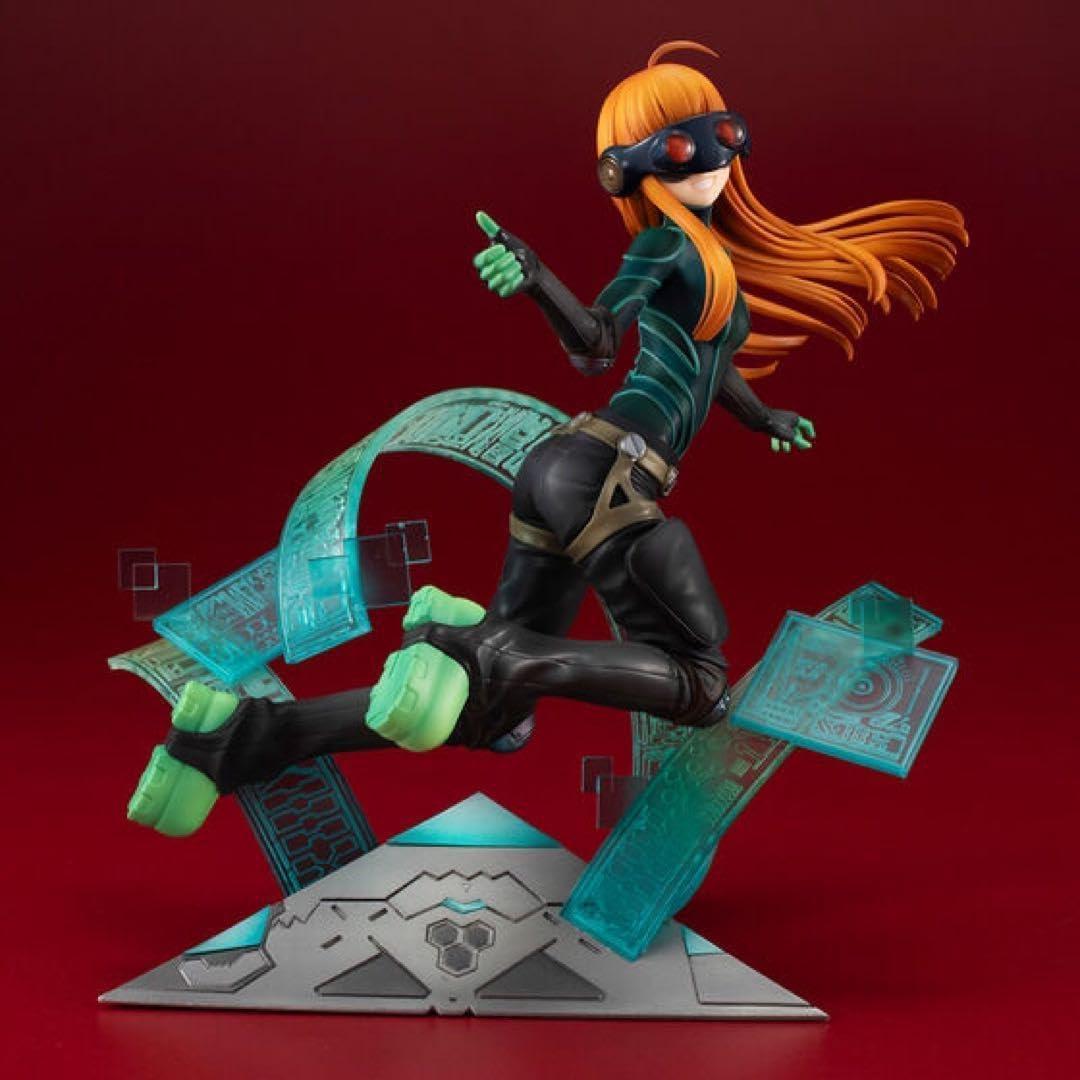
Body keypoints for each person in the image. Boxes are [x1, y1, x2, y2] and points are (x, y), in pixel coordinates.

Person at [128, 40, 966, 837]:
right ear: (630, 169)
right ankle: (479, 647)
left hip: (568, 473)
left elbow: (706, 364)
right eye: (680, 148)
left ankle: (232, 740)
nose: (712, 158)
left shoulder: (708, 258)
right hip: (605, 478)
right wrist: (538, 282)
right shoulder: (664, 243)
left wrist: (761, 416)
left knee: (494, 719)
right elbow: (598, 341)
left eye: (724, 133)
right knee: (699, 682)